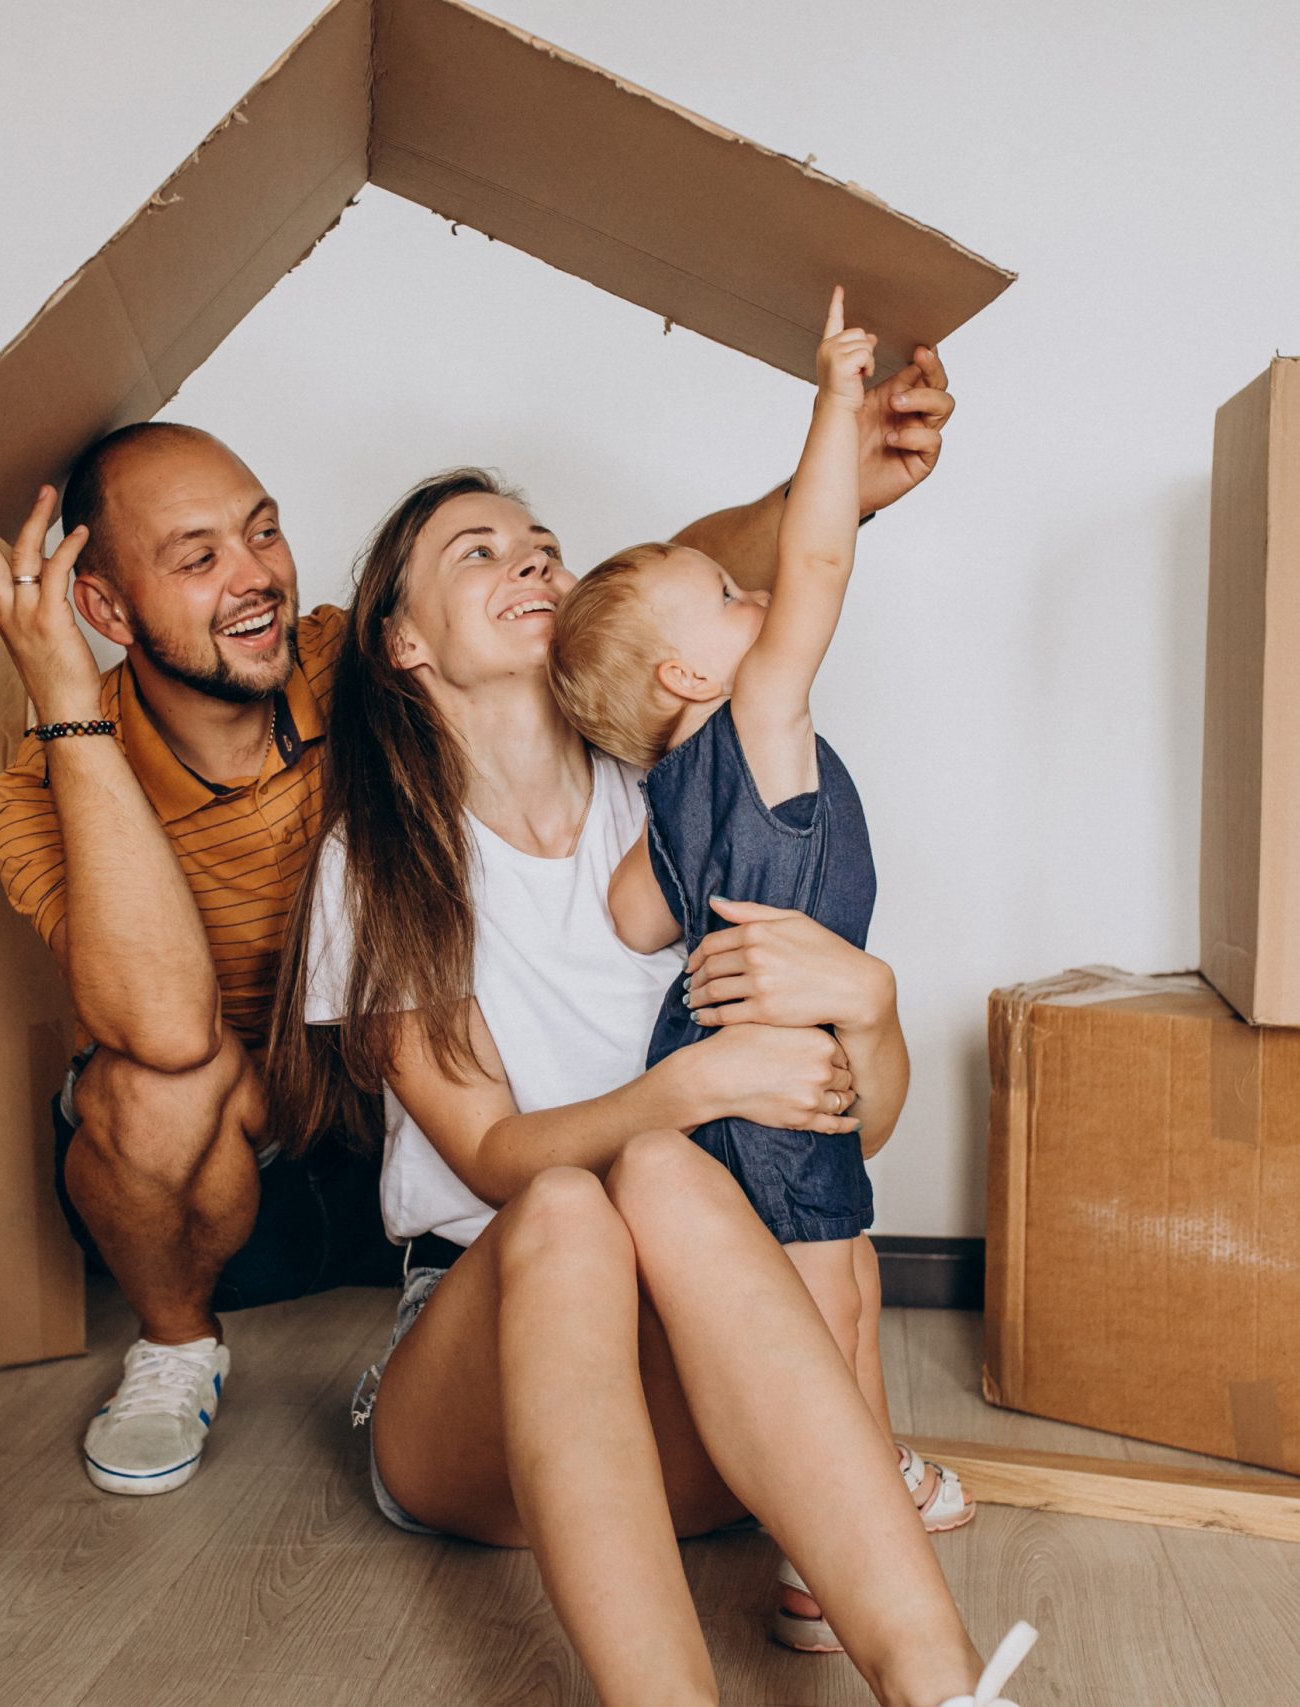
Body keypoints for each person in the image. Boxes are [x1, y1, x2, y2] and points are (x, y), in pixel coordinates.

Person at [0, 359, 956, 1500]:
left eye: (264, 533)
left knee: (732, 1270)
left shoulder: (342, 660)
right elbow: (167, 1025)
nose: (254, 577)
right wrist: (65, 701)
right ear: (106, 609)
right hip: (260, 1161)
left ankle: (813, 1471)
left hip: (452, 1132)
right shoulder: (50, 786)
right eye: (199, 557)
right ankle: (179, 1344)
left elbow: (640, 603)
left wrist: (836, 484)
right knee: (157, 1083)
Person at [264, 468, 1033, 1706]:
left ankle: (941, 1688)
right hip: (477, 1378)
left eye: (544, 547)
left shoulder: (681, 798)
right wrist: (695, 1082)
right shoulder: (380, 864)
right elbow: (497, 1159)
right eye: (478, 552)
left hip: (698, 1382)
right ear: (402, 641)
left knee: (683, 1185)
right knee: (575, 1204)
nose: (528, 562)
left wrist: (869, 1005)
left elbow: (854, 1137)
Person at [546, 290, 971, 1647]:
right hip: (775, 1085)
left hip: (728, 1075)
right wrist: (834, 402)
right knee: (836, 1288)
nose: (760, 599)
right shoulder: (758, 722)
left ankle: (863, 1485)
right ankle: (821, 1553)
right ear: (690, 668)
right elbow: (823, 568)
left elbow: (629, 920)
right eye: (727, 599)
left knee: (827, 1282)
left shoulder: (673, 802)